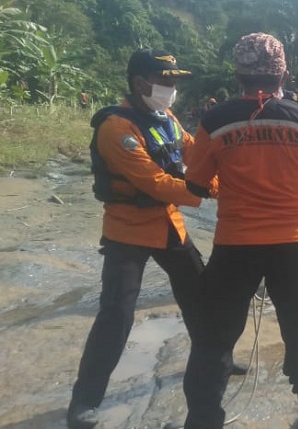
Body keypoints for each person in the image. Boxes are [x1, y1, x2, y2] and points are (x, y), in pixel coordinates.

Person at [182, 32, 298, 429]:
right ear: (282, 72)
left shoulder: (214, 121)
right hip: (294, 244)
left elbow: (196, 186)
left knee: (214, 336)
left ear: (239, 75)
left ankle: (203, 419)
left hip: (235, 246)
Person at [67, 48, 214, 429]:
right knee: (116, 314)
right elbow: (155, 182)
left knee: (201, 298)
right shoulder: (117, 128)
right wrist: (211, 192)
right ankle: (84, 400)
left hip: (169, 225)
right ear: (139, 83)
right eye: (166, 81)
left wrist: (222, 177)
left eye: (175, 81)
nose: (172, 88)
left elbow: (195, 155)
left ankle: (216, 362)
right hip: (127, 231)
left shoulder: (165, 118)